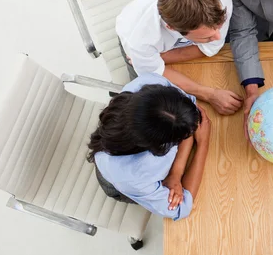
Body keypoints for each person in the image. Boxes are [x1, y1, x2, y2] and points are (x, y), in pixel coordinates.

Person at [87, 73, 211, 220]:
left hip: (116, 146)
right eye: (181, 138)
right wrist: (203, 143)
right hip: (120, 184)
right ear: (159, 146)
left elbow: (192, 110)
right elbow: (180, 208)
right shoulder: (134, 177)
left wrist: (176, 173)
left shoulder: (149, 83)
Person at [116, 0, 242, 115]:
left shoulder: (221, 0)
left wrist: (157, 59)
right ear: (171, 28)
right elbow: (156, 75)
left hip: (151, 54)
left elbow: (210, 49)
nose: (218, 37)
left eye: (219, 27)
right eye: (206, 36)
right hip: (137, 46)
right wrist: (209, 94)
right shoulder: (140, 40)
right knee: (150, 111)